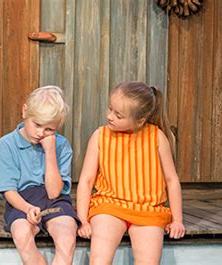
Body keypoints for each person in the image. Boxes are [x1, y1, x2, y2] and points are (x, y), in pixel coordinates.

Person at [76, 81, 185, 264]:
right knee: (99, 259)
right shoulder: (100, 136)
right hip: (109, 206)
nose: (109, 116)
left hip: (148, 210)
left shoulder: (156, 137)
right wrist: (82, 219)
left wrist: (178, 219)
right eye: (110, 109)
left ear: (140, 121)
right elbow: (86, 180)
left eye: (118, 115)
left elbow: (171, 180)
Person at [0, 85, 79, 265]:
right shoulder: (6, 145)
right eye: (37, 125)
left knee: (67, 237)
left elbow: (55, 192)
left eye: (50, 129)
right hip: (21, 201)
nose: (41, 133)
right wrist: (26, 208)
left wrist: (50, 153)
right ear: (25, 112)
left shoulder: (60, 146)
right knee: (22, 234)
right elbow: (8, 191)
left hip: (54, 201)